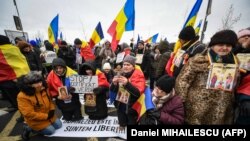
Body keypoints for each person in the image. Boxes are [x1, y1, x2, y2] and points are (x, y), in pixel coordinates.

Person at [175, 29, 238, 124]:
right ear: (213, 45)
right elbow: (182, 81)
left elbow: (235, 85)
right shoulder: (199, 60)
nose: (224, 48)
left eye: (228, 45)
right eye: (220, 45)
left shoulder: (235, 63)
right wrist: (181, 103)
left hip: (222, 111)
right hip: (197, 110)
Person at [17, 71, 62, 140]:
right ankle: (28, 128)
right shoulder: (22, 96)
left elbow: (50, 101)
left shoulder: (45, 88)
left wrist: (52, 109)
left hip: (48, 115)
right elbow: (28, 114)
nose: (40, 85)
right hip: (36, 120)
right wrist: (46, 116)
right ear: (29, 84)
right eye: (36, 83)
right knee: (51, 131)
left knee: (59, 125)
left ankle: (43, 126)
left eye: (40, 81)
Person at [110, 55, 146, 128]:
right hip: (120, 102)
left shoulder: (139, 75)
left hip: (131, 105)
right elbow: (113, 90)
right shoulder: (120, 74)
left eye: (128, 65)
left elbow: (137, 93)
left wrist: (127, 83)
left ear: (133, 66)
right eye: (124, 64)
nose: (125, 66)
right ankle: (122, 124)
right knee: (121, 116)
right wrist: (113, 84)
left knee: (131, 121)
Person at [0, 35, 30, 113]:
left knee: (18, 99)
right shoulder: (15, 49)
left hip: (9, 79)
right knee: (22, 97)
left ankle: (24, 114)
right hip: (21, 76)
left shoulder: (3, 51)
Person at [234, 28, 250, 125]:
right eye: (244, 36)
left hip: (245, 96)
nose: (247, 37)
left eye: (249, 36)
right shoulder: (232, 51)